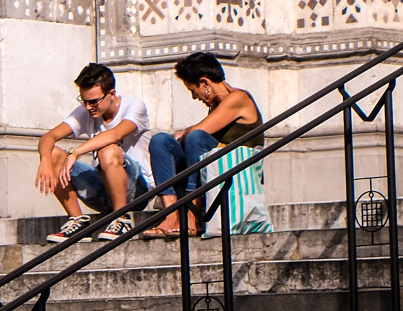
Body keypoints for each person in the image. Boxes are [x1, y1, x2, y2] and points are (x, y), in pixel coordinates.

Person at [144, 52, 265, 238]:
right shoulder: (217, 106)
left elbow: (197, 134)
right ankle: (171, 215)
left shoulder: (238, 98)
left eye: (193, 90)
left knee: (195, 138)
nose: (194, 97)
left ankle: (195, 215)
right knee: (160, 140)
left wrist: (182, 135)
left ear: (205, 83)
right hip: (212, 171)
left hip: (233, 172)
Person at [35, 63, 156, 243]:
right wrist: (46, 160)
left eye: (94, 101)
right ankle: (78, 222)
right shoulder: (87, 111)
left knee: (108, 149)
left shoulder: (134, 106)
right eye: (84, 101)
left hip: (137, 190)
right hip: (101, 189)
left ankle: (121, 218)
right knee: (53, 154)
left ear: (111, 94)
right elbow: (49, 136)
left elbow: (115, 134)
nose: (89, 107)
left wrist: (74, 153)